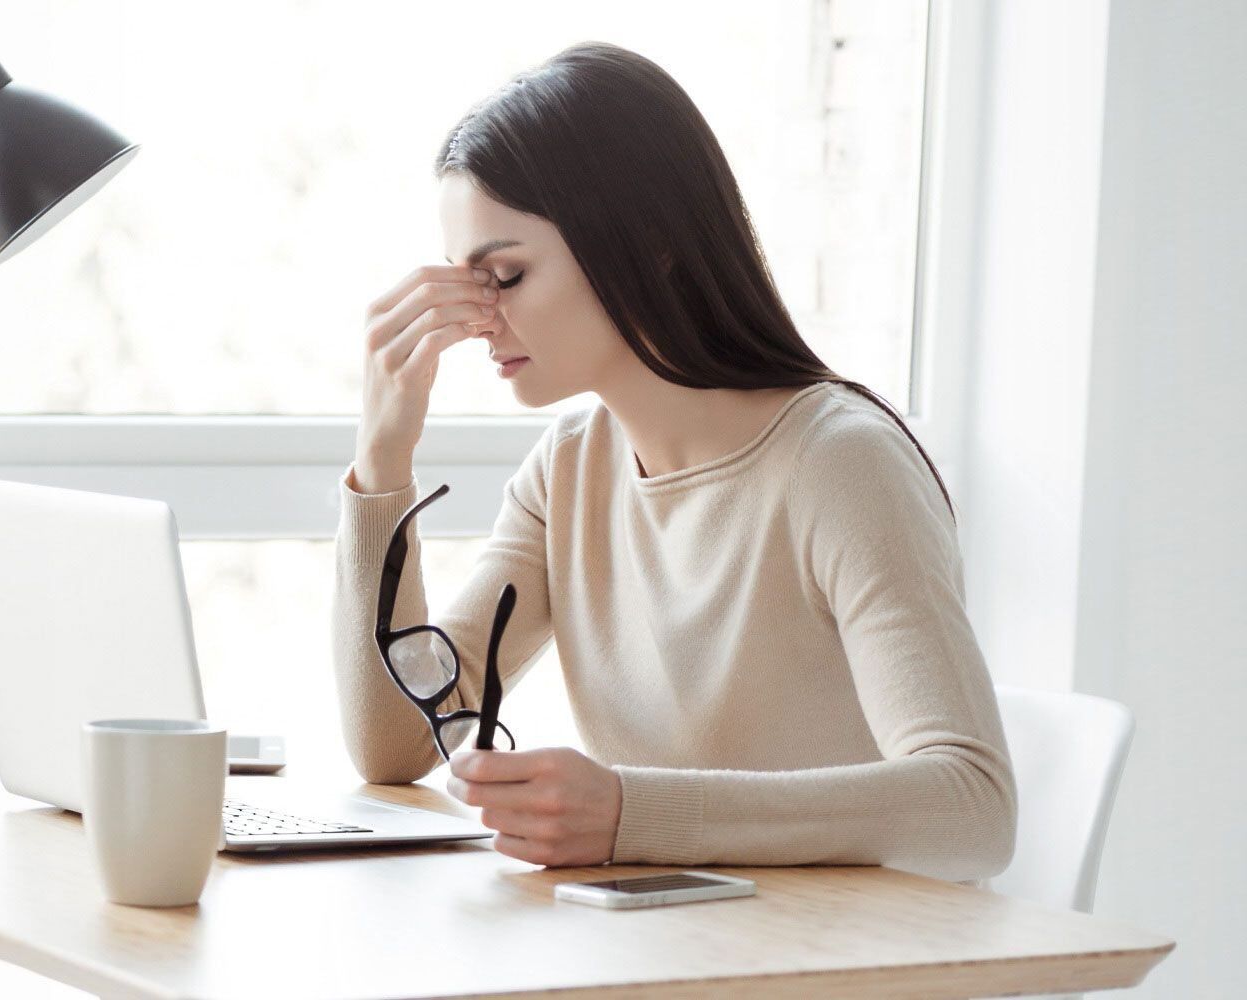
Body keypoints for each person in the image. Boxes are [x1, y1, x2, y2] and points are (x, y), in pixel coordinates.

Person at [332, 42, 1014, 882]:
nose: (479, 320)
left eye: (503, 275)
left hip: (837, 961)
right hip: (672, 950)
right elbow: (395, 741)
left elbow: (972, 807)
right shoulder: (570, 471)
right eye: (465, 284)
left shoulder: (840, 464)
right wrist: (382, 459)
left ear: (651, 242)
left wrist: (631, 814)